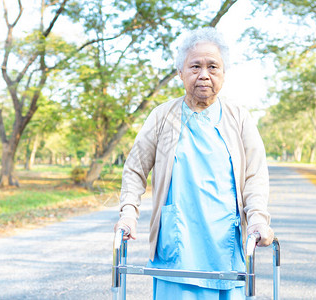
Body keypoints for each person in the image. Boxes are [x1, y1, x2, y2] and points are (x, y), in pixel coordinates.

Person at [114, 27, 274, 300]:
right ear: (180, 72)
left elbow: (254, 176)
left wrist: (258, 218)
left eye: (213, 66)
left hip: (226, 244)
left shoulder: (239, 118)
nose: (204, 74)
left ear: (223, 73)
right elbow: (135, 168)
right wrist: (129, 211)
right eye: (195, 66)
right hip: (177, 246)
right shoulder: (162, 116)